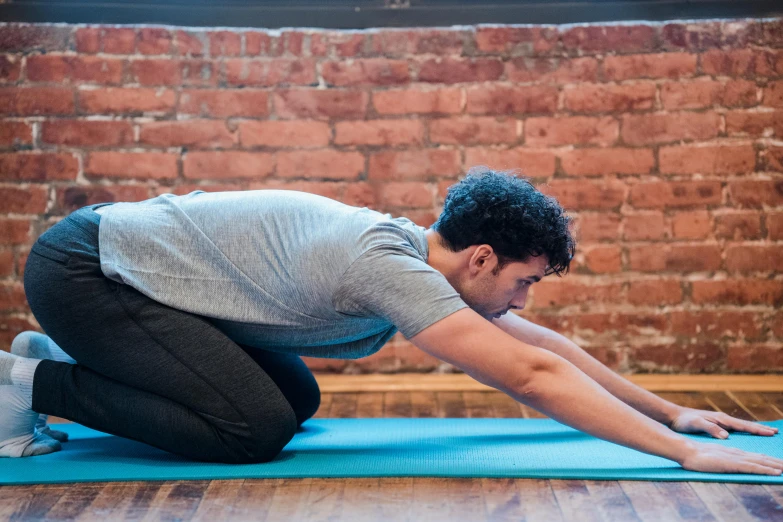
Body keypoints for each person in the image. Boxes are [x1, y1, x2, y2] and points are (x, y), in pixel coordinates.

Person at [1, 167, 781, 476]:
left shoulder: (416, 257)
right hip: (87, 272)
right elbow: (531, 377)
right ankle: (29, 380)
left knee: (294, 403)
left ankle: (59, 356)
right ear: (480, 259)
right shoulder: (386, 268)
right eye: (523, 282)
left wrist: (670, 407)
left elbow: (546, 347)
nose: (524, 303)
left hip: (134, 282)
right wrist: (679, 455)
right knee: (251, 429)